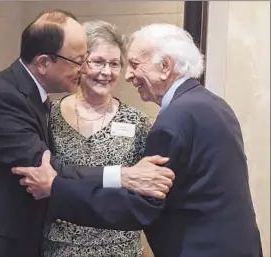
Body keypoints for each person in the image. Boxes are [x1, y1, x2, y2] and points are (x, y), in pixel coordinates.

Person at [0, 11, 175, 257]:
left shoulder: (33, 97)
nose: (82, 70)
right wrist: (123, 176)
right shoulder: (3, 99)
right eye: (79, 61)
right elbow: (45, 169)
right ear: (43, 62)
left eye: (114, 63)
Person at [15, 24, 263, 257]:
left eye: (131, 64)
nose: (128, 75)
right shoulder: (212, 104)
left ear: (165, 66)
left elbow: (140, 208)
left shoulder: (172, 121)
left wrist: (56, 188)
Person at [42, 20, 150, 257]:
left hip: (121, 248)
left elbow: (147, 192)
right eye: (98, 62)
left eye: (114, 64)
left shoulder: (137, 121)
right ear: (80, 64)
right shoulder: (49, 115)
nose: (106, 72)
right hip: (60, 248)